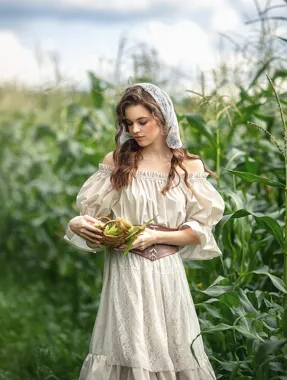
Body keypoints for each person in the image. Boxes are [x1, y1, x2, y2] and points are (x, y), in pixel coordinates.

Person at [65, 82, 225, 379]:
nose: (135, 130)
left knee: (172, 349)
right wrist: (77, 224)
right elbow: (98, 221)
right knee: (128, 348)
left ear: (163, 119)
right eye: (128, 123)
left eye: (143, 121)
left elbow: (200, 231)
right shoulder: (116, 163)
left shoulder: (189, 167)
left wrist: (156, 236)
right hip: (125, 272)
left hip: (166, 274)